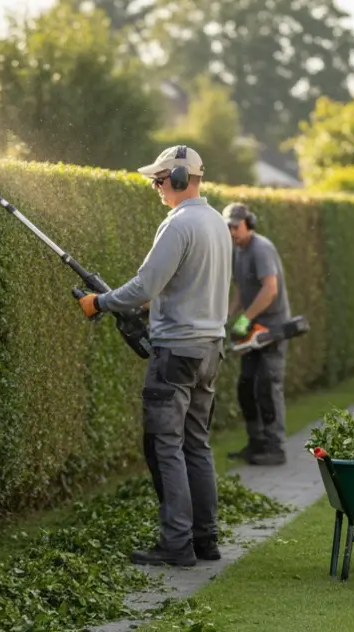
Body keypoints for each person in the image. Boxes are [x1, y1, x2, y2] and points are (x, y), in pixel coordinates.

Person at [77, 145, 232, 568]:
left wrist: (101, 302)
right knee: (196, 445)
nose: (156, 188)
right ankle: (205, 540)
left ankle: (177, 545)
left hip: (177, 351)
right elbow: (183, 286)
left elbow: (146, 284)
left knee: (166, 446)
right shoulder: (217, 223)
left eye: (159, 180)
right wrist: (147, 308)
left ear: (180, 179)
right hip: (210, 349)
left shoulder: (178, 224)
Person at [222, 202, 291, 466]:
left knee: (267, 386)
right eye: (228, 227)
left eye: (235, 227)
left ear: (249, 224)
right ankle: (256, 443)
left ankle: (276, 447)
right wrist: (228, 317)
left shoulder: (261, 249)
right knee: (246, 385)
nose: (231, 232)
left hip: (272, 329)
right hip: (251, 330)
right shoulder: (238, 252)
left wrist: (245, 318)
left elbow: (270, 289)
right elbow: (241, 289)